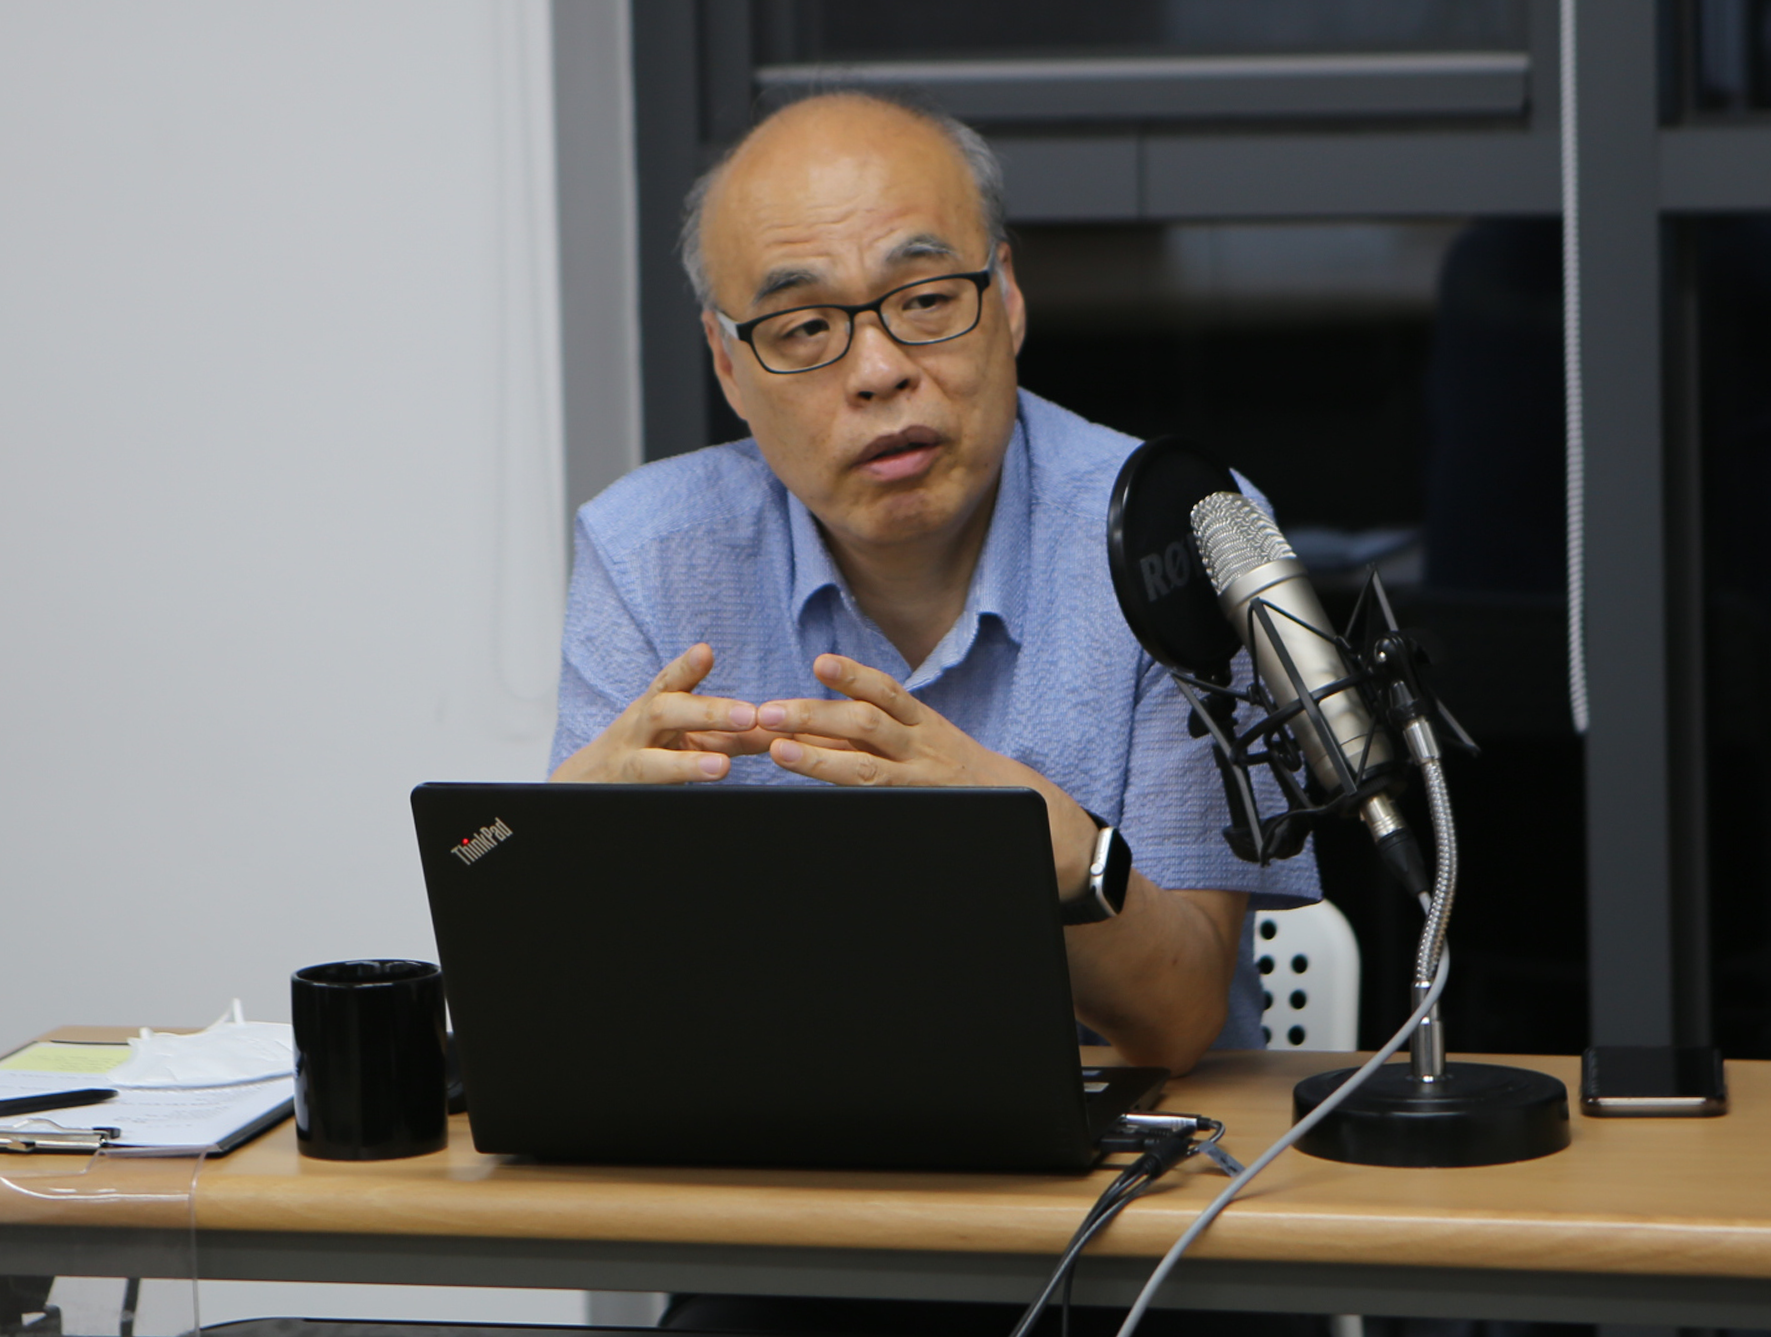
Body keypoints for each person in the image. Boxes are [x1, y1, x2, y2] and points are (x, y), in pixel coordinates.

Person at [550, 92, 1317, 1076]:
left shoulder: (1175, 533)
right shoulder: (645, 553)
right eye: (803, 326)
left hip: (1119, 1145)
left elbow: (1180, 1014)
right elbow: (579, 1002)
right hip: (766, 1135)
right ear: (728, 367)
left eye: (924, 302)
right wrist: (550, 855)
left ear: (1008, 297)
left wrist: (1045, 851)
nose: (878, 371)